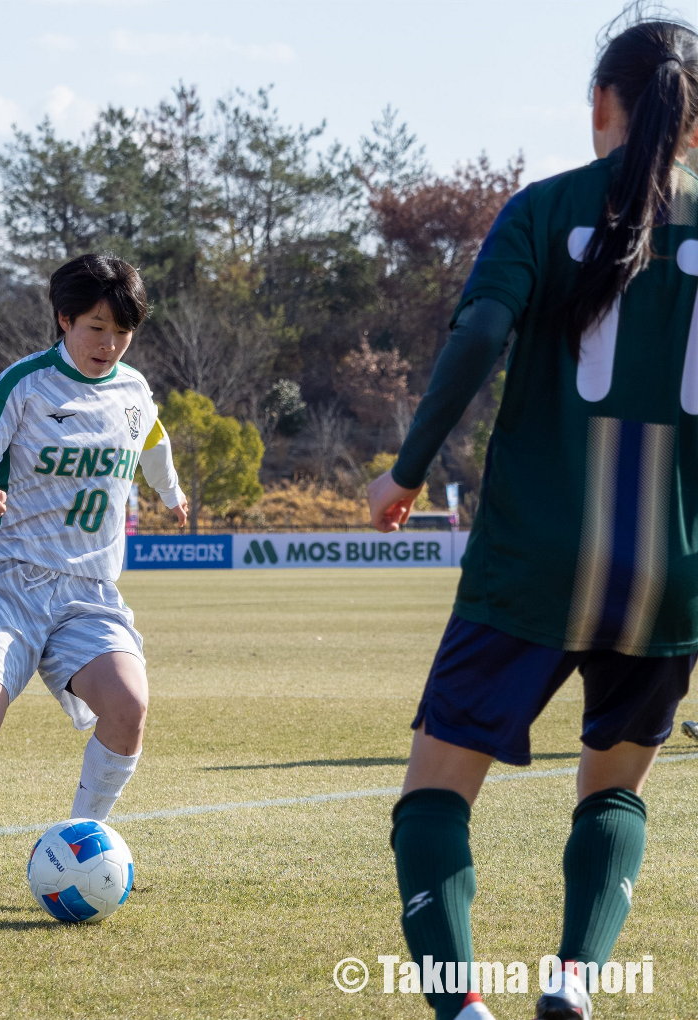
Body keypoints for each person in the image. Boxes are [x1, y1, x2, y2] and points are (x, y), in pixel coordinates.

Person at [367, 13, 698, 1020]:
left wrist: (406, 470)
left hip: (531, 560)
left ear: (599, 103)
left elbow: (476, 336)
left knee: (432, 796)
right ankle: (573, 980)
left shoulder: (544, 208)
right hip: (672, 569)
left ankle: (461, 1006)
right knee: (611, 793)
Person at [0, 253, 188, 912]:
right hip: (3, 581)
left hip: (89, 591)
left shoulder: (134, 388)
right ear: (63, 319)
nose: (108, 343)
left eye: (121, 331)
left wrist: (170, 491)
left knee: (129, 709)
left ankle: (79, 841)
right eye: (94, 327)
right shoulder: (27, 384)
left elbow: (154, 439)